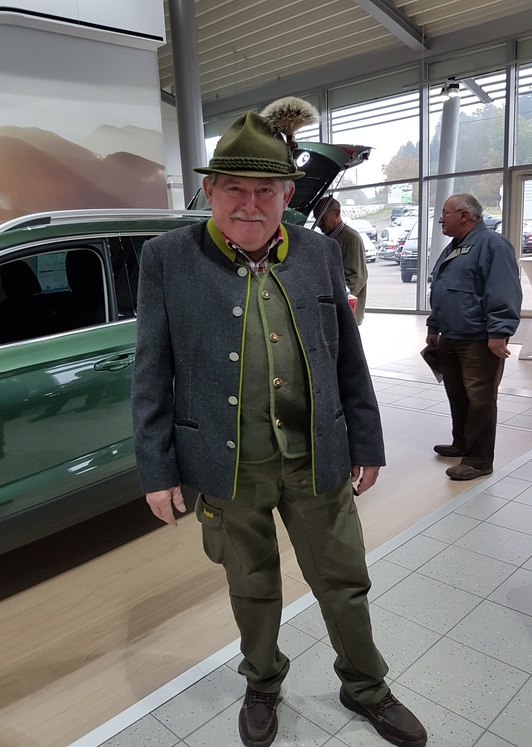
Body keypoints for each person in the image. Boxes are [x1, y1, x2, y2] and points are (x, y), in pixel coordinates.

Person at [132, 96, 427, 747]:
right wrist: (157, 471)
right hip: (228, 466)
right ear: (210, 191)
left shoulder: (318, 252)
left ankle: (366, 686)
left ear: (287, 193)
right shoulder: (167, 258)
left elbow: (347, 358)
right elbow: (151, 371)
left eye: (264, 190)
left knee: (344, 580)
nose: (249, 204)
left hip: (317, 457)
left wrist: (367, 441)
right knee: (252, 584)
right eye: (234, 189)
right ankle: (262, 682)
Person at [426, 193, 522, 481]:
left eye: (445, 213)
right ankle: (462, 444)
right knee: (457, 395)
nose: (441, 219)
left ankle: (479, 461)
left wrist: (499, 332)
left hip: (479, 340)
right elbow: (442, 289)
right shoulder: (455, 247)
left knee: (480, 400)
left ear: (464, 215)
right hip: (451, 336)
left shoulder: (493, 244)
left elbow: (503, 290)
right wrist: (433, 327)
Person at [314, 196, 368, 324]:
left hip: (345, 313)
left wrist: (335, 301)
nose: (319, 223)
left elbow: (357, 277)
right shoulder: (327, 239)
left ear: (337, 213)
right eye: (317, 219)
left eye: (322, 218)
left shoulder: (351, 238)